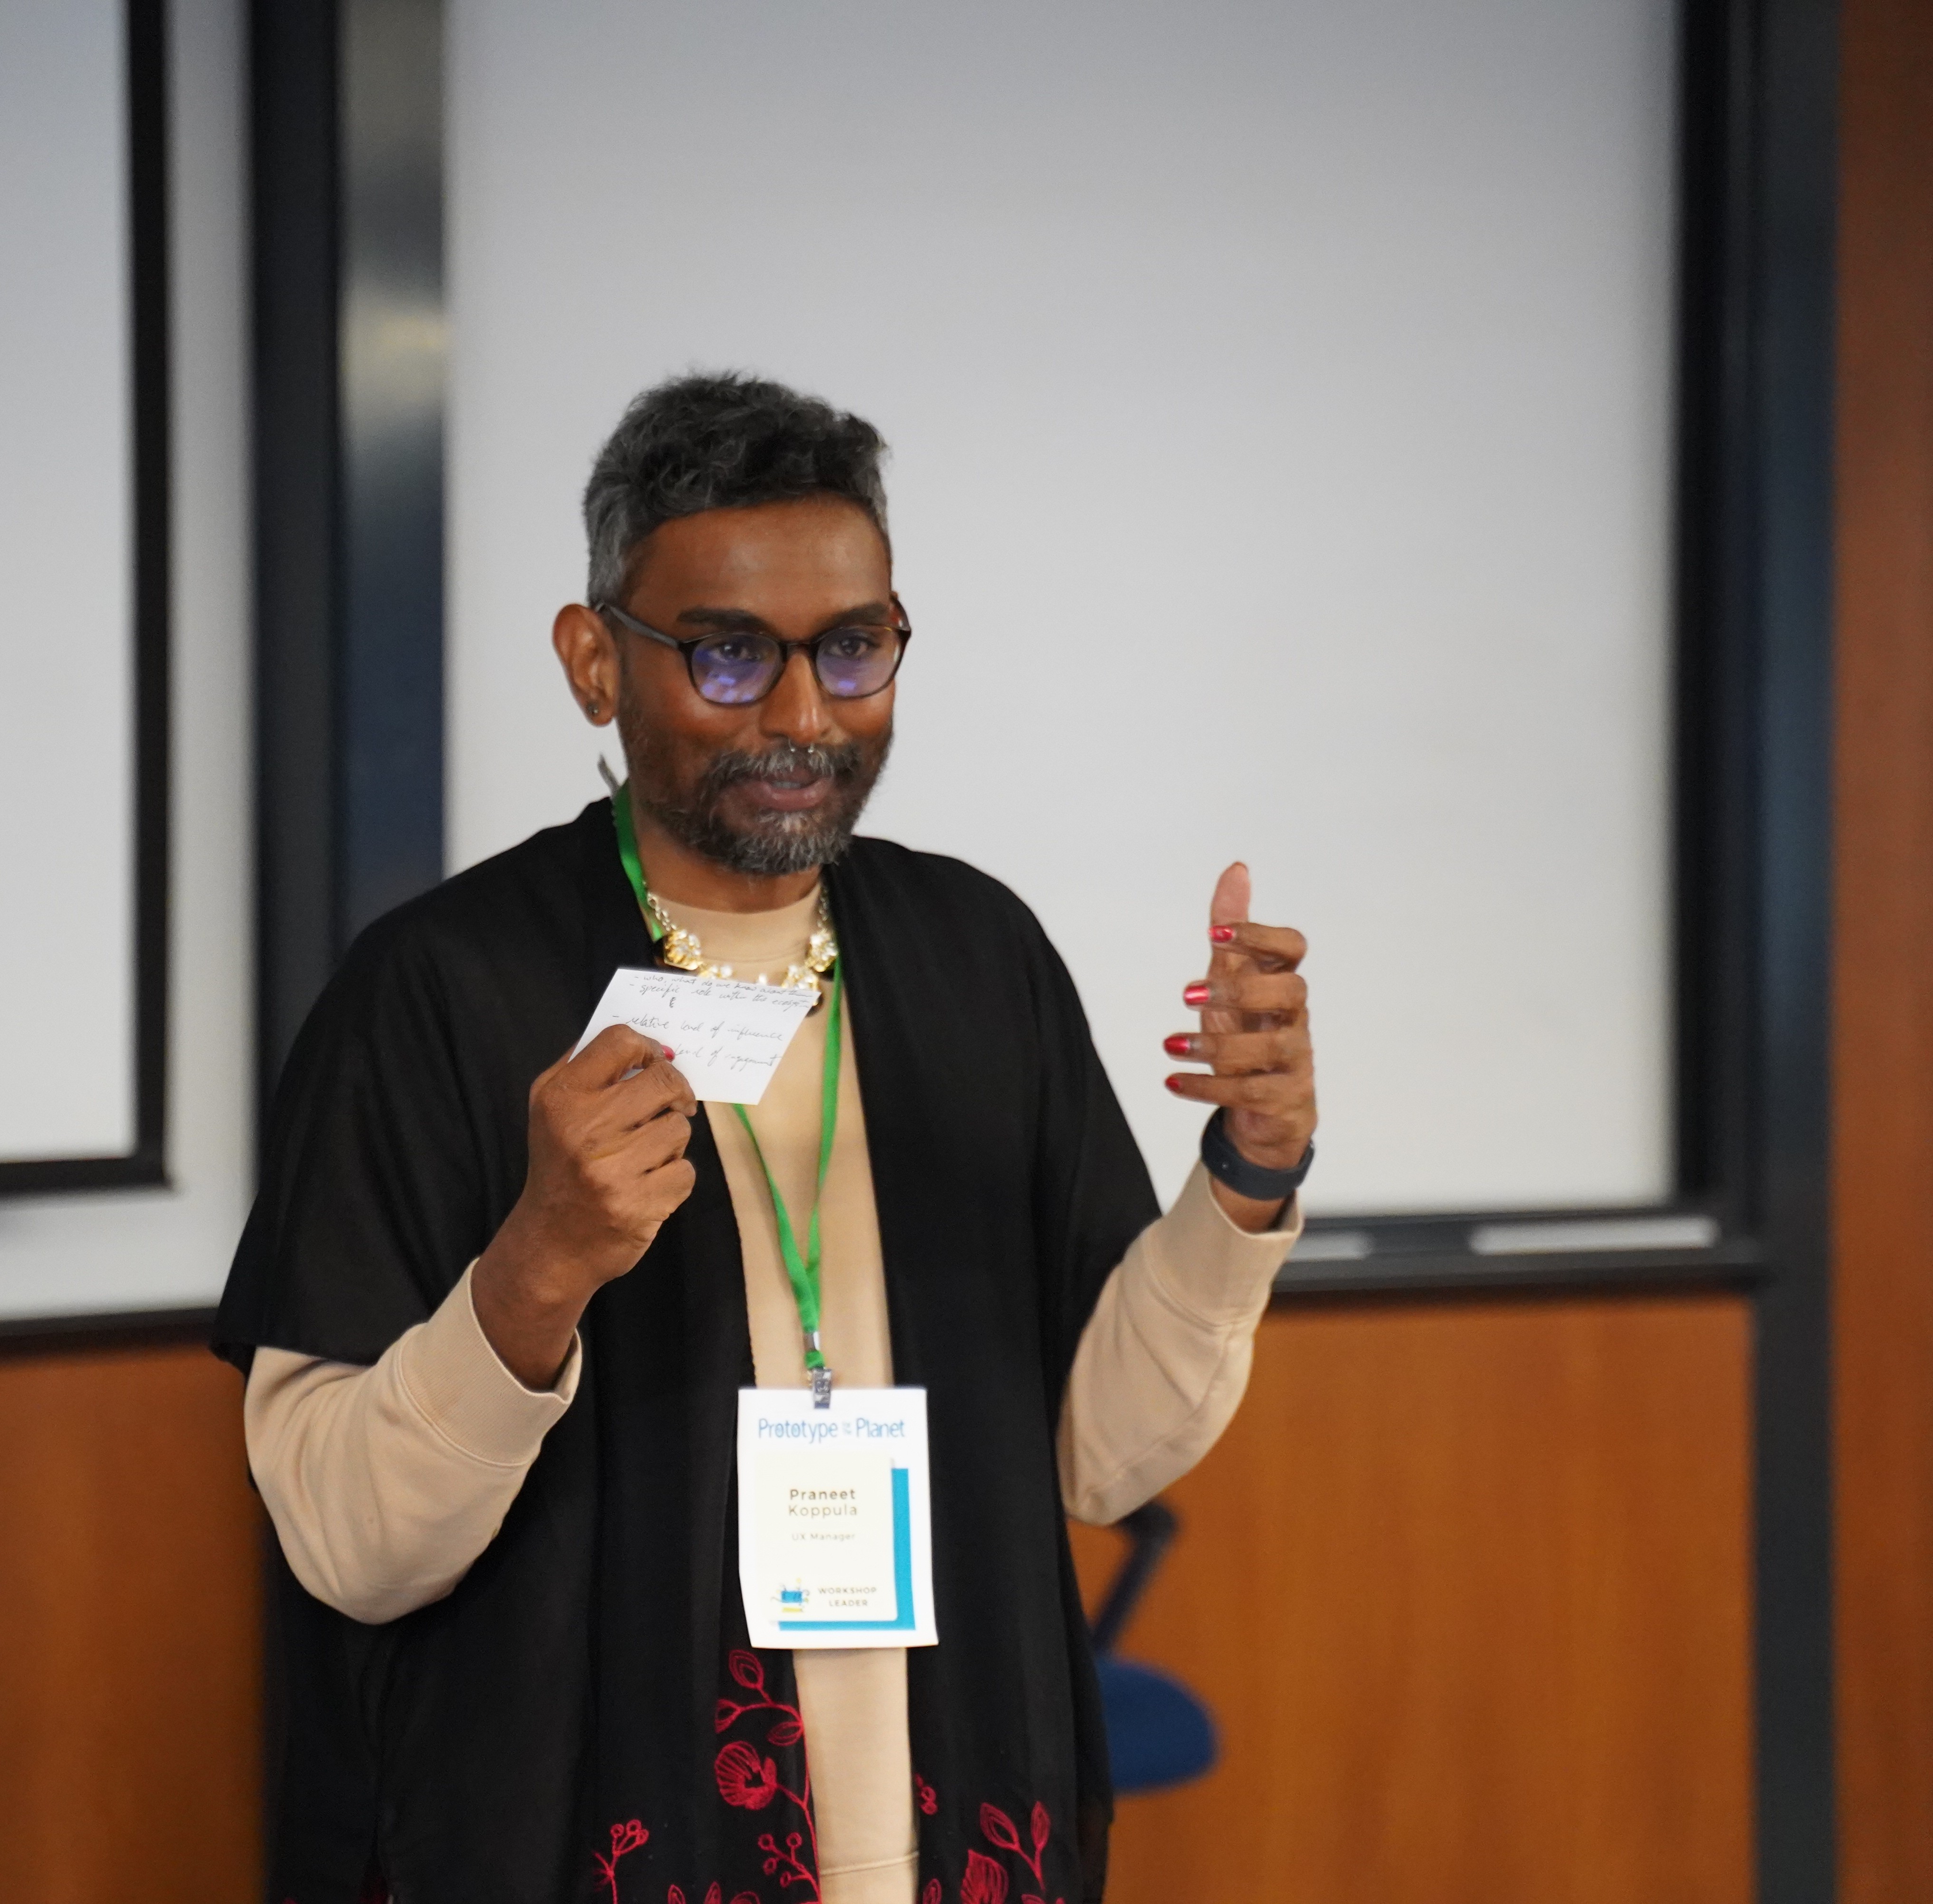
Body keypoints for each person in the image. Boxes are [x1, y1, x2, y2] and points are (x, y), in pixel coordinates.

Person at [214, 373, 1318, 1904]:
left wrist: (1248, 1172)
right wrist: (535, 1271)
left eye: (852, 647)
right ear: (594, 660)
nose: (804, 716)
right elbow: (345, 1543)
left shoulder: (973, 955)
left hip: (960, 1837)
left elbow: (1101, 1453)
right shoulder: (438, 994)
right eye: (730, 655)